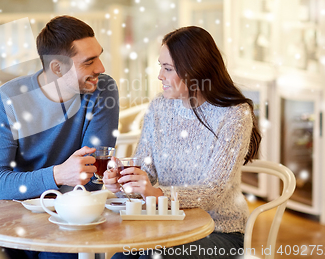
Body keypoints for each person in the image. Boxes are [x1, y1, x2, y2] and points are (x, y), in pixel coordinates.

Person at [103, 26, 261, 259]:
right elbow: (145, 175)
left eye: (168, 68)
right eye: (161, 66)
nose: (160, 76)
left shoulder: (234, 114)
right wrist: (124, 184)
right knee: (121, 256)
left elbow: (212, 192)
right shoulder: (159, 107)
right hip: (166, 225)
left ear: (195, 70)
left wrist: (155, 193)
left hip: (219, 232)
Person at [0, 15, 119, 259]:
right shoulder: (8, 98)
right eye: (89, 62)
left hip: (71, 217)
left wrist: (17, 186)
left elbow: (92, 176)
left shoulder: (102, 90)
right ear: (57, 68)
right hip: (14, 219)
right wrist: (58, 174)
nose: (101, 68)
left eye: (99, 56)